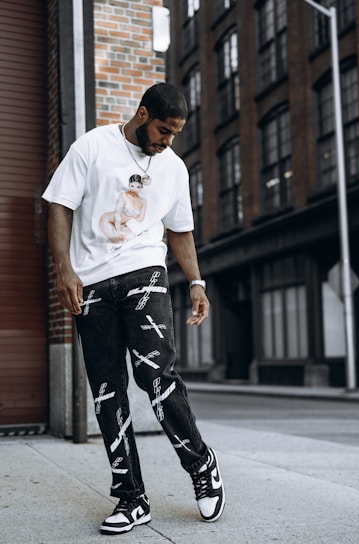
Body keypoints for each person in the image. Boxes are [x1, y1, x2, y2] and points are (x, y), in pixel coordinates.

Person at [42, 82, 225, 535]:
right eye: (164, 130)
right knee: (107, 392)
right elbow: (59, 206)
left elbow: (179, 231)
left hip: (145, 273)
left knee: (156, 376)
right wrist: (65, 270)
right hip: (93, 283)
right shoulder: (93, 146)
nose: (168, 142)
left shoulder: (174, 168)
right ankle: (131, 497)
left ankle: (201, 465)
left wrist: (197, 282)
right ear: (142, 115)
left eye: (175, 134)